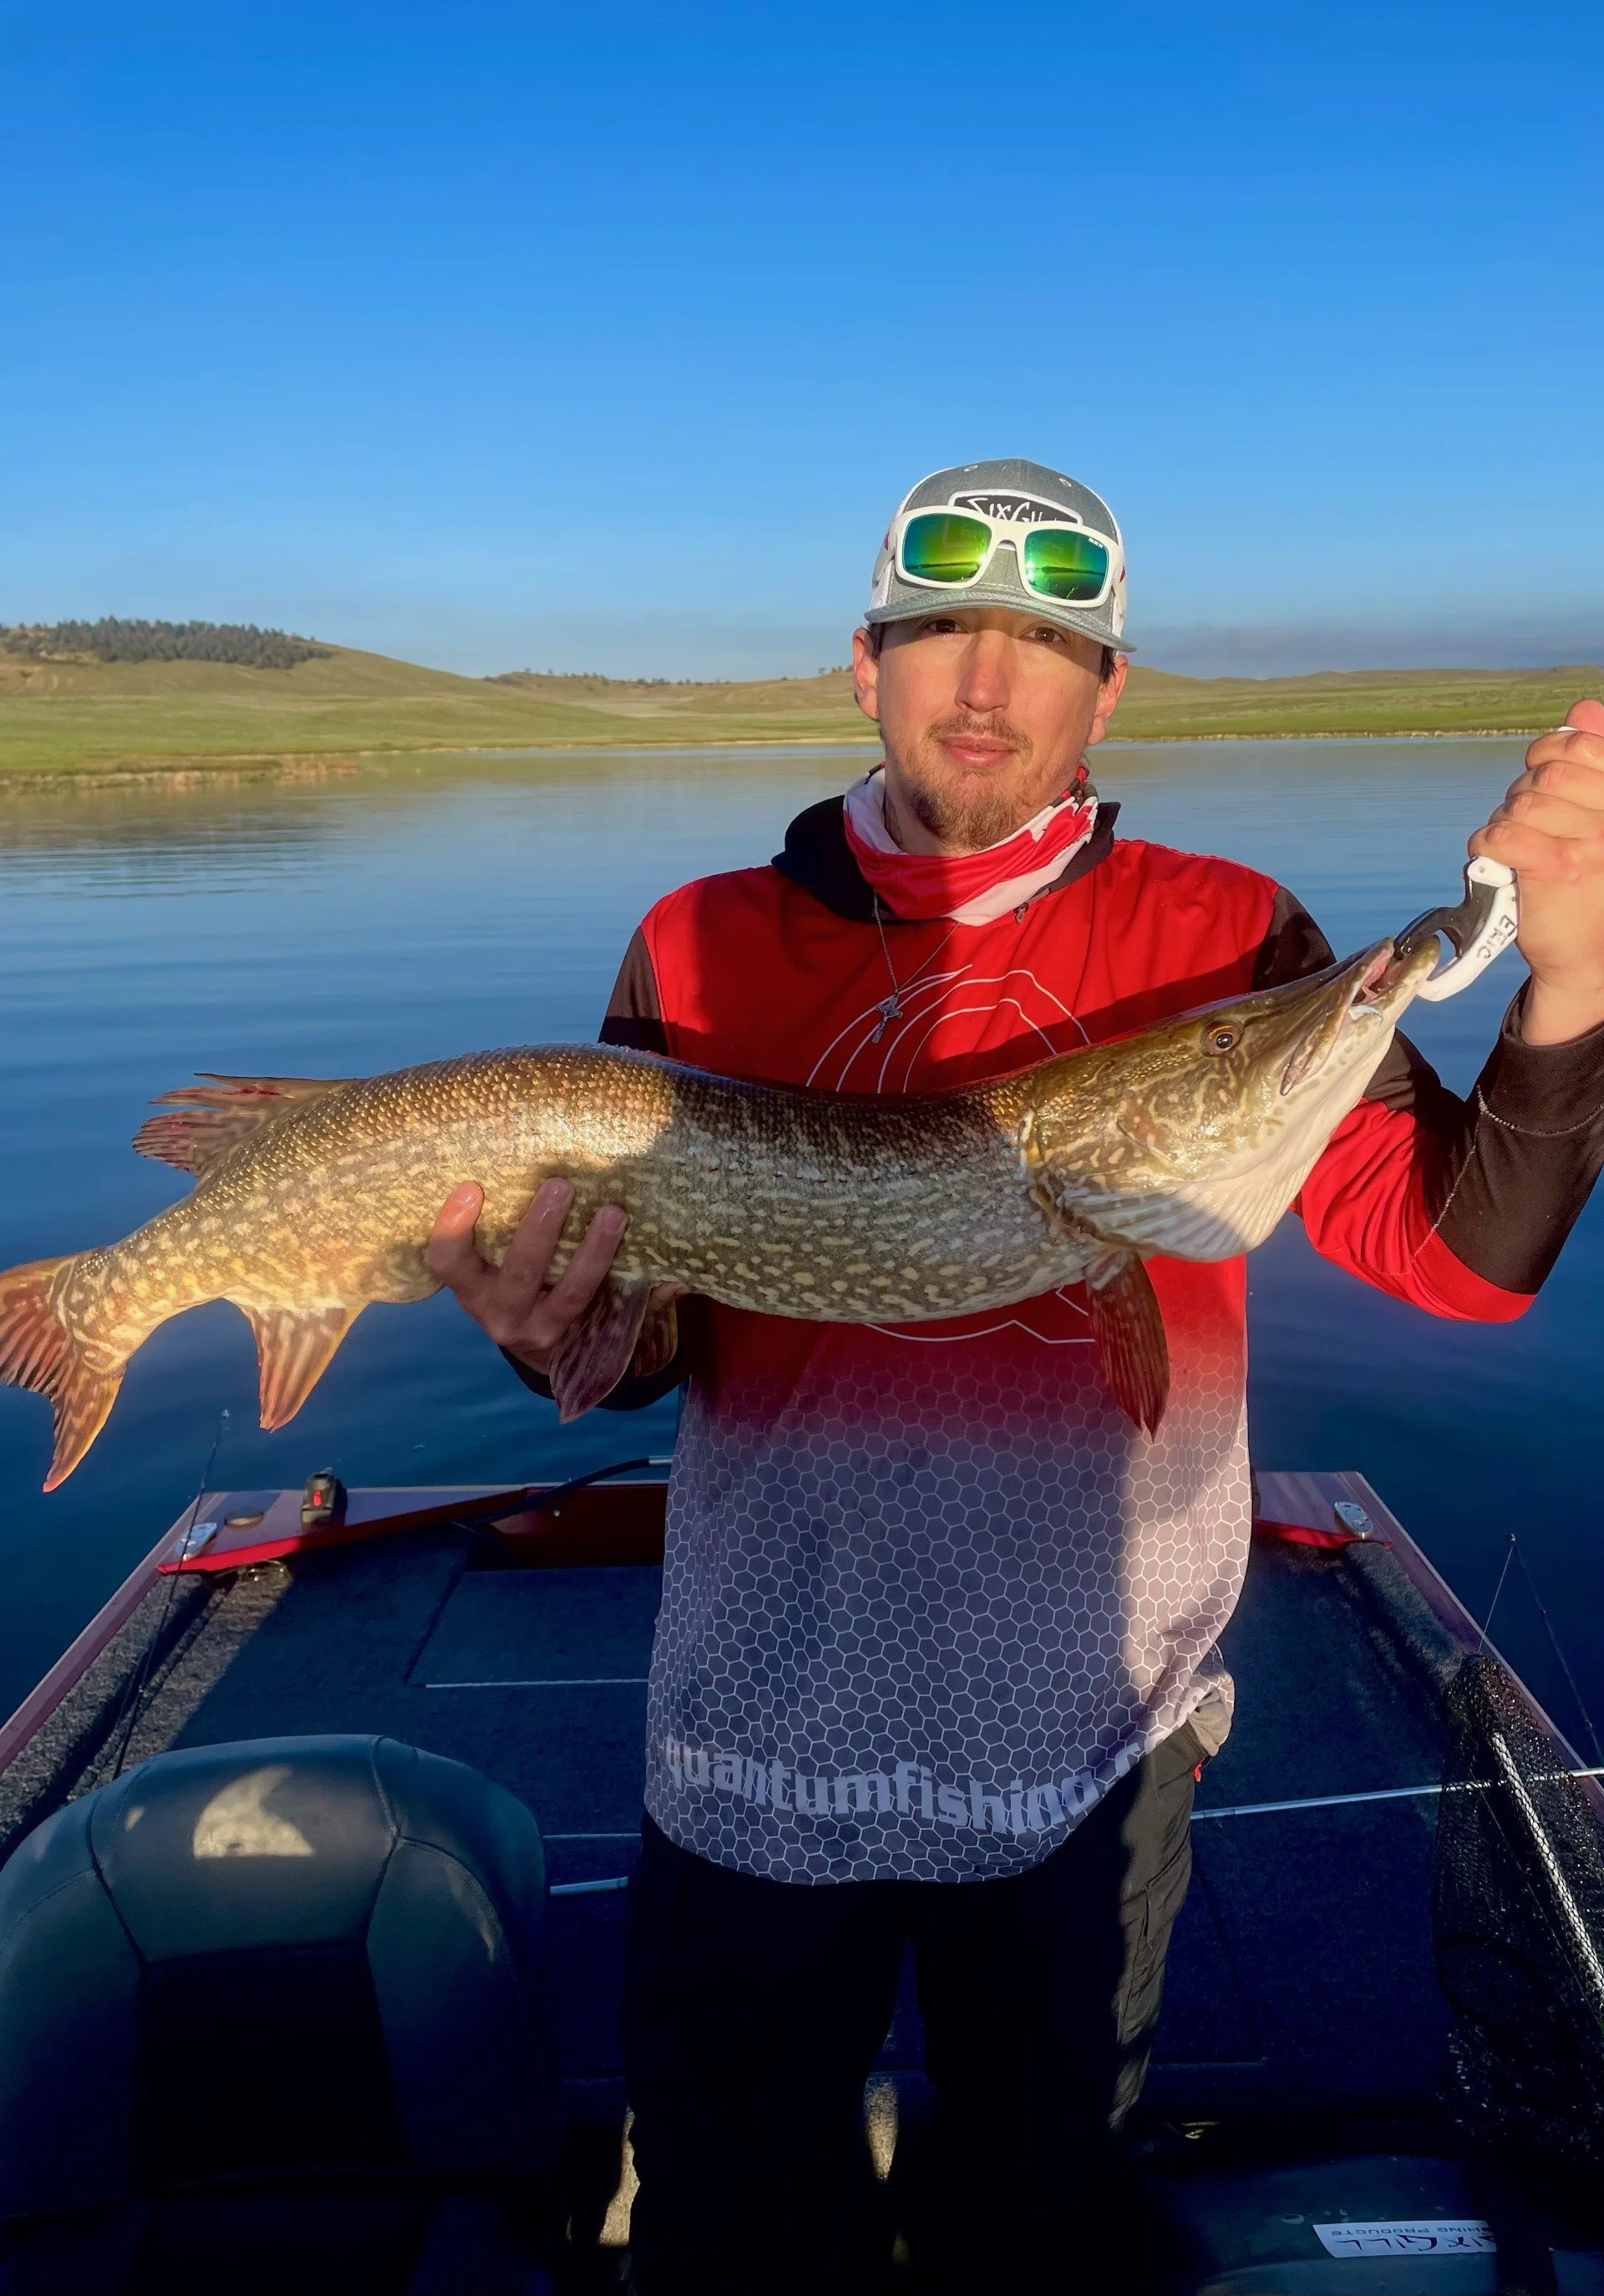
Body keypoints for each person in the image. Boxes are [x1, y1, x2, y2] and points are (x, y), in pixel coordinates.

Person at [426, 460, 1604, 2292]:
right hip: (761, 1733)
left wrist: (1574, 975)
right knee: (736, 2231)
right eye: (940, 636)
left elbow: (1460, 1259)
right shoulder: (698, 939)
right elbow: (651, 1333)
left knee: (1031, 2225)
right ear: (865, 665)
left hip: (1086, 1743)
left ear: (1108, 687)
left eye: (1047, 642)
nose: (988, 684)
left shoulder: (1234, 938)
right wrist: (552, 1328)